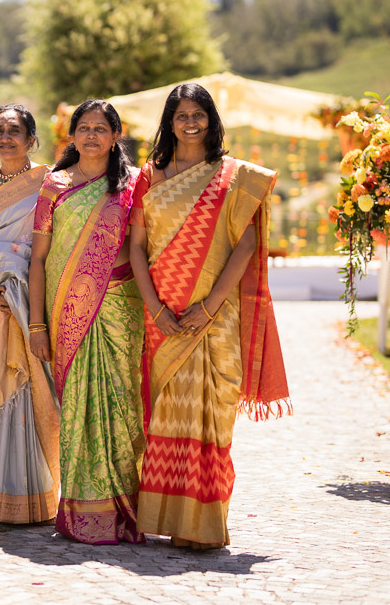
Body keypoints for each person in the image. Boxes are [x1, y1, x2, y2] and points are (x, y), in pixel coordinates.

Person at [129, 83, 290, 549]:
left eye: (198, 113)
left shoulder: (233, 176)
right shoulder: (150, 176)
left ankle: (205, 524)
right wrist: (156, 309)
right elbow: (137, 249)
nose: (190, 122)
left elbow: (246, 244)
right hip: (164, 318)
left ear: (211, 119)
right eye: (181, 115)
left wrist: (210, 304)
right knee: (164, 418)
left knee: (214, 416)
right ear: (169, 121)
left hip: (214, 317)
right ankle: (170, 518)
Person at [28, 99, 145, 544]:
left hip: (121, 310)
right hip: (67, 314)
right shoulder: (53, 186)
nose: (92, 135)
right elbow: (38, 261)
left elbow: (144, 249)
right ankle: (81, 514)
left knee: (122, 408)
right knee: (77, 411)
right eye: (84, 128)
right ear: (71, 136)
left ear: (117, 136)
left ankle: (125, 511)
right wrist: (38, 327)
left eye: (102, 128)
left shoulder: (134, 185)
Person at [0, 105, 59, 524]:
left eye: (15, 131)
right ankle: (4, 498)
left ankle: (42, 495)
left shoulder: (50, 183)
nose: (6, 138)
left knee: (37, 390)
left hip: (35, 306)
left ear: (31, 140)